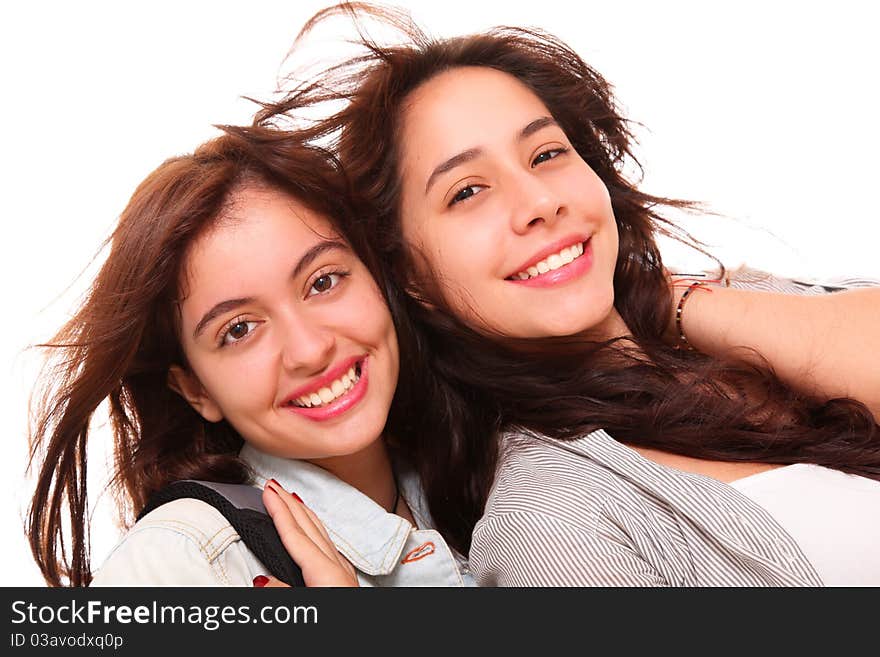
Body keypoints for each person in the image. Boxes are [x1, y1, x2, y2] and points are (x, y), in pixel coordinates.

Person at [254, 2, 880, 585]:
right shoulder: (549, 524)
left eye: (547, 153)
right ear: (412, 278)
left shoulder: (740, 301)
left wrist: (678, 303)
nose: (538, 202)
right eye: (467, 191)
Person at [26, 127, 472, 587]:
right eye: (239, 330)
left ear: (378, 276)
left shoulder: (484, 477)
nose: (310, 350)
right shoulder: (181, 560)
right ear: (196, 389)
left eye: (323, 282)